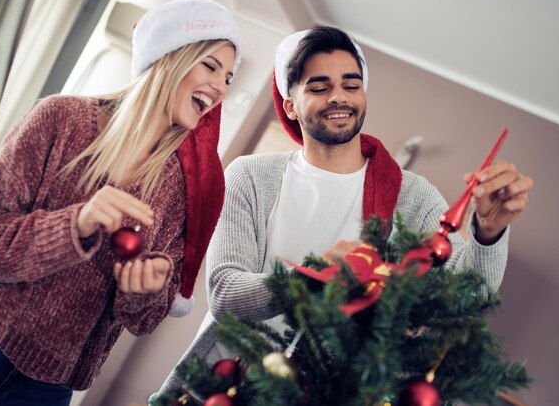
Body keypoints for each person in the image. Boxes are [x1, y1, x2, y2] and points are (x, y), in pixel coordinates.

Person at [154, 25, 533, 397]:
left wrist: (489, 232)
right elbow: (225, 294)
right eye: (319, 87)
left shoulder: (413, 197)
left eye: (351, 86)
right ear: (290, 104)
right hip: (219, 389)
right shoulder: (250, 176)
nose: (339, 97)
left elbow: (463, 303)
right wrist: (318, 278)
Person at [0, 0, 242, 406]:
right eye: (210, 66)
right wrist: (75, 224)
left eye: (229, 78)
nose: (220, 86)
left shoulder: (178, 188)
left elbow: (146, 318)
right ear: (169, 56)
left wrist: (145, 290)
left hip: (46, 390)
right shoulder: (59, 119)